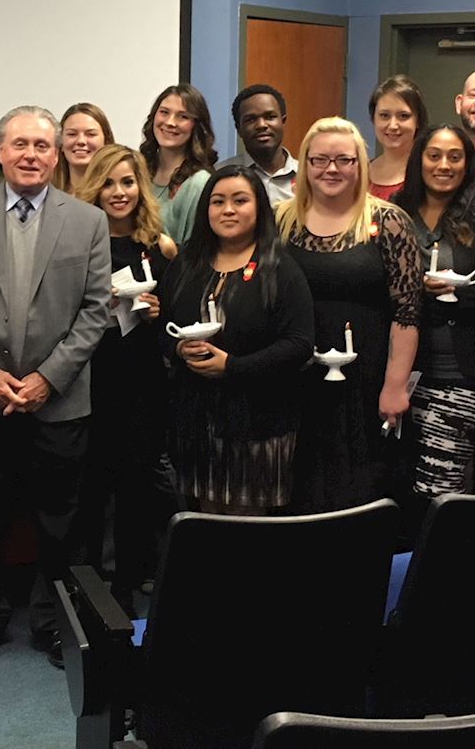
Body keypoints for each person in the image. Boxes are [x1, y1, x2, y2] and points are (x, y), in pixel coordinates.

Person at [0, 105, 111, 668]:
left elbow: (96, 310)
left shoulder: (87, 221)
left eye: (41, 145)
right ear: (0, 151)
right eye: (19, 145)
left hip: (57, 401)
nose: (30, 155)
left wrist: (45, 379)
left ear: (56, 155)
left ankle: (55, 623)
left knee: (59, 524)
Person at [277, 118, 422, 511]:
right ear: (305, 164)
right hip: (297, 377)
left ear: (360, 164)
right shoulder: (279, 222)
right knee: (300, 486)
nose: (331, 169)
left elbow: (407, 311)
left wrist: (394, 387)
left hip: (368, 378)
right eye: (320, 159)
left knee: (361, 485)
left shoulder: (388, 221)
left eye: (344, 159)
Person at [161, 166, 313, 514]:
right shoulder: (187, 263)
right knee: (204, 529)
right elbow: (162, 328)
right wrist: (178, 348)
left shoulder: (280, 268)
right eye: (218, 201)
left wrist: (232, 366)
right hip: (196, 425)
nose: (228, 210)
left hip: (258, 425)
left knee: (248, 539)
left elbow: (300, 343)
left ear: (259, 207)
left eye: (239, 200)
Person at [71, 143, 178, 615]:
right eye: (109, 182)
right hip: (90, 378)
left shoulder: (158, 245)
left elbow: (178, 315)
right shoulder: (77, 243)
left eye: (128, 182)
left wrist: (158, 312)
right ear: (94, 187)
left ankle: (129, 585)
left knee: (136, 486)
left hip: (142, 382)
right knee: (92, 487)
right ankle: (94, 587)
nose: (119, 192)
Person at [393, 125, 475, 515]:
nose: (443, 165)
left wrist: (437, 296)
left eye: (455, 157)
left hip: (465, 375)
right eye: (434, 155)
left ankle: (438, 572)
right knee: (403, 484)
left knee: (439, 491)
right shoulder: (397, 210)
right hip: (400, 374)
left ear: (468, 166)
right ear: (419, 160)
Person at [141, 83, 219, 245]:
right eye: (164, 113)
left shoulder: (199, 183)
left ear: (196, 126)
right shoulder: (140, 171)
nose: (170, 122)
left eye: (183, 116)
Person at [218, 83, 298, 206]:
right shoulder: (219, 176)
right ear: (238, 129)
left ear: (283, 122)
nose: (261, 125)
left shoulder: (309, 176)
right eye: (250, 120)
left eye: (270, 117)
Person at [366, 75, 428, 199]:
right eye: (384, 115)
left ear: (418, 121)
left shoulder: (428, 173)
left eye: (403, 116)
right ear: (374, 119)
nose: (393, 125)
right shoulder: (359, 173)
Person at [53, 102, 114, 194]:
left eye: (91, 134)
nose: (81, 141)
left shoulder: (116, 194)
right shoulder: (47, 195)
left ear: (106, 141)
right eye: (72, 134)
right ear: (60, 143)